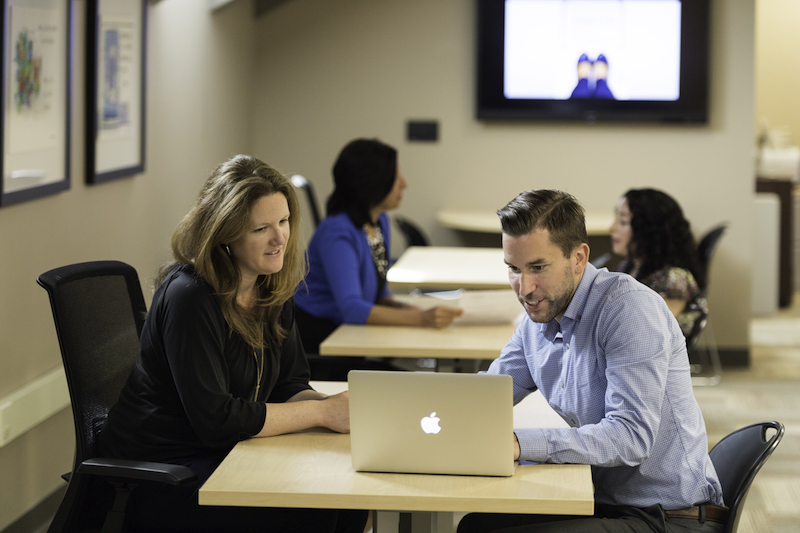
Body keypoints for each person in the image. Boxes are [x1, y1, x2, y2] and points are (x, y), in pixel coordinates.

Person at [99, 155, 368, 533]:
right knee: (315, 510)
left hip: (225, 455)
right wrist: (322, 415)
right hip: (163, 475)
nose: (280, 239)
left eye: (284, 221)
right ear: (224, 234)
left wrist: (338, 409)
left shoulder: (269, 286)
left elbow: (287, 385)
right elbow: (217, 420)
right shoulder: (190, 296)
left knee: (349, 500)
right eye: (262, 228)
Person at [457, 190, 725, 533]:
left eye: (538, 268)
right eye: (514, 269)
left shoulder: (630, 311)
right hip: (602, 499)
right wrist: (434, 415)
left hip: (670, 516)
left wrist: (521, 443)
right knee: (477, 526)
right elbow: (489, 394)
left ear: (579, 258)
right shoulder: (538, 317)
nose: (524, 288)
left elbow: (630, 437)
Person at [294, 138, 463, 356]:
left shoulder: (378, 220)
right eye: (396, 177)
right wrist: (421, 318)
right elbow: (352, 309)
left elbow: (378, 294)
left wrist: (412, 310)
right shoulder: (336, 233)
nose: (404, 183)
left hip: (350, 335)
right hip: (320, 341)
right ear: (373, 182)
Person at [609, 188, 704, 336]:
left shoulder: (675, 279)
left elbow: (648, 330)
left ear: (648, 230)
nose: (612, 228)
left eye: (623, 221)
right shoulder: (628, 267)